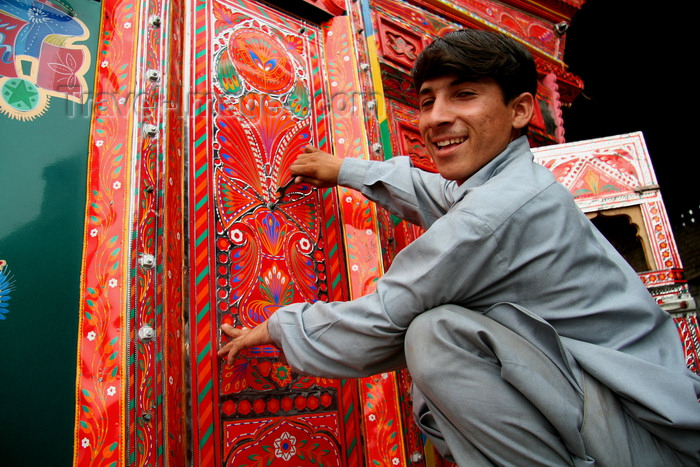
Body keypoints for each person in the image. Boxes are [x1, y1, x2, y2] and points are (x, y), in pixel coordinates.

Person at [218, 29, 700, 465]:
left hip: (643, 436)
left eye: (464, 95)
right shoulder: (510, 183)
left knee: (435, 335)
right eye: (427, 102)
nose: (436, 118)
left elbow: (384, 316)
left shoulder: (495, 212)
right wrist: (345, 169)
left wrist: (275, 327)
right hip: (621, 411)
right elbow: (434, 192)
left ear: (520, 110)